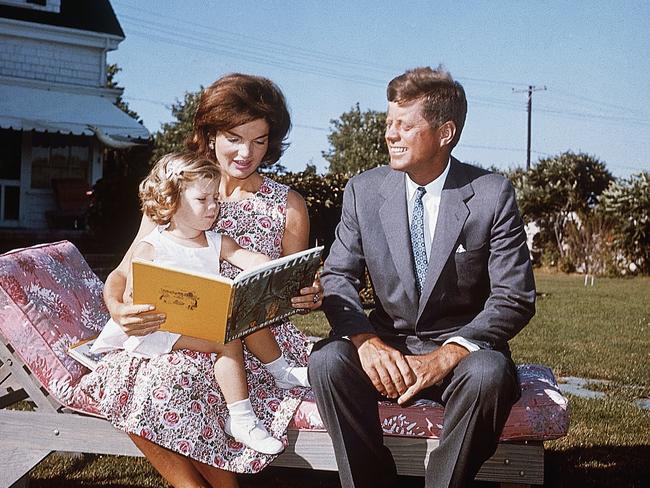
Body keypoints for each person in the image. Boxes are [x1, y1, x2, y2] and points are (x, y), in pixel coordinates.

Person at [78, 73, 321, 488]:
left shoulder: (288, 205)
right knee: (145, 376)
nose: (247, 152)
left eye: (260, 141)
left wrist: (308, 294)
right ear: (209, 135)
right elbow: (123, 272)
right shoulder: (176, 192)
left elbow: (288, 282)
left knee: (178, 379)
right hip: (178, 330)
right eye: (234, 137)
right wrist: (119, 309)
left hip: (257, 341)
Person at [309, 66, 536, 488]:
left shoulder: (491, 194)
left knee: (488, 374)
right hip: (388, 345)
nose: (390, 135)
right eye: (388, 123)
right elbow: (338, 276)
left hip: (463, 351)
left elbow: (514, 297)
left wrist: (449, 353)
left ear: (445, 132)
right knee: (327, 361)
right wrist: (366, 342)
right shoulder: (363, 190)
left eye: (404, 125)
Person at [91, 152, 310, 455]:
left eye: (215, 199)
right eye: (202, 200)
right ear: (172, 201)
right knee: (227, 340)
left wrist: (270, 269)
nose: (213, 207)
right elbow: (132, 294)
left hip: (197, 321)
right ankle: (242, 419)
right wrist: (134, 301)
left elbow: (248, 258)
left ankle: (281, 371)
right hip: (159, 329)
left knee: (243, 318)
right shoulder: (152, 246)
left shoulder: (215, 240)